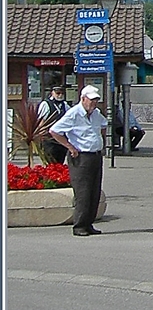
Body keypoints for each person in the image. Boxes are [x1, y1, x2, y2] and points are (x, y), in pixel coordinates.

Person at [48, 85, 107, 237]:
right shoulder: (73, 113)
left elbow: (103, 125)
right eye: (91, 100)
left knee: (94, 191)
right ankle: (79, 225)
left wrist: (100, 141)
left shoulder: (96, 113)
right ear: (83, 99)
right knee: (83, 192)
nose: (94, 103)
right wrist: (70, 146)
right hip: (80, 157)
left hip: (95, 155)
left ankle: (89, 223)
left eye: (96, 100)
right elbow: (54, 131)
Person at [37, 84, 69, 164]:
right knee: (50, 163)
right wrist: (42, 135)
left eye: (62, 93)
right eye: (58, 93)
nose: (60, 95)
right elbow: (41, 121)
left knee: (60, 162)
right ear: (52, 93)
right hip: (49, 139)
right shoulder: (46, 104)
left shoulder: (65, 105)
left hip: (61, 139)